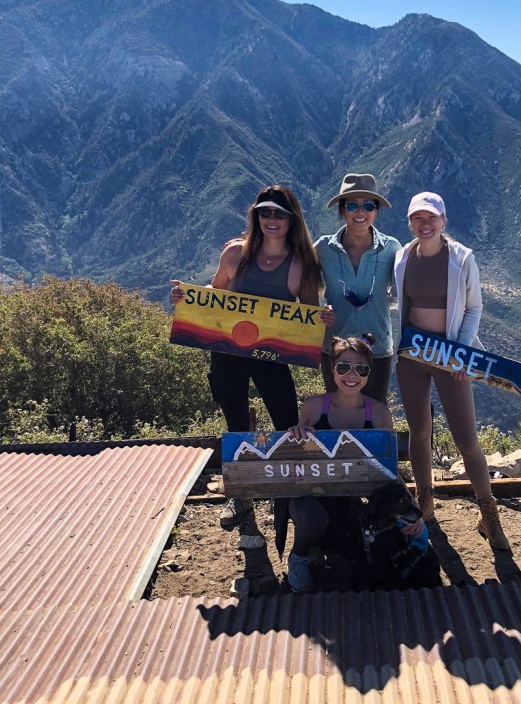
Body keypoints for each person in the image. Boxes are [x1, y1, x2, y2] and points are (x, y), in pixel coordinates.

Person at [170, 184, 324, 541]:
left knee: (287, 422)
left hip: (273, 358)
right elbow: (216, 294)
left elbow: (308, 313)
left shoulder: (300, 265)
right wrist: (187, 295)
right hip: (228, 355)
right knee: (237, 425)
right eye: (265, 213)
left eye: (279, 214)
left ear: (291, 220)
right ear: (256, 216)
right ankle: (240, 497)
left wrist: (322, 320)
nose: (272, 220)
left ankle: (289, 494)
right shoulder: (235, 254)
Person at [393, 191, 511, 550]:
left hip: (450, 355)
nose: (425, 225)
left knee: (466, 438)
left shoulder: (462, 258)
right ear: (410, 222)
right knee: (419, 432)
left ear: (443, 221)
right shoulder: (402, 257)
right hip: (413, 353)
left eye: (431, 218)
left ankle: (488, 512)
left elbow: (474, 307)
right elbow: (400, 301)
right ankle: (425, 503)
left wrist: (461, 352)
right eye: (418, 218)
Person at [278, 333, 394, 593]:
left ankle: (325, 550)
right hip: (309, 492)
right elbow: (298, 453)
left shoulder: (378, 413)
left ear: (368, 374)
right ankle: (299, 556)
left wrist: (410, 513)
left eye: (360, 369)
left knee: (355, 558)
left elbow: (387, 468)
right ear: (332, 369)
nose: (352, 375)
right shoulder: (315, 406)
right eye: (344, 367)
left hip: (350, 496)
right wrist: (297, 434)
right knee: (313, 518)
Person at [315, 173, 401, 404]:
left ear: (376, 210)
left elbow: (407, 291)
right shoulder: (322, 248)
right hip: (334, 349)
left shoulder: (392, 249)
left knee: (373, 413)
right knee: (335, 413)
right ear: (342, 210)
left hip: (377, 350)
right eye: (352, 205)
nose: (360, 212)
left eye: (368, 205)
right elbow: (300, 281)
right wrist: (317, 312)